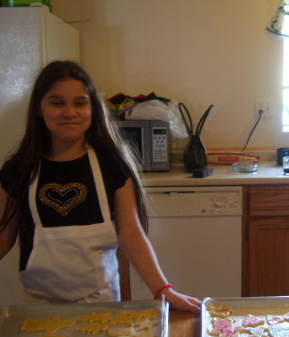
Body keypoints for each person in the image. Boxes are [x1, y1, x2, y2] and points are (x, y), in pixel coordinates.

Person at [0, 60, 201, 313]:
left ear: (92, 108)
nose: (70, 111)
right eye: (57, 102)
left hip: (100, 304)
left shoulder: (111, 165)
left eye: (80, 102)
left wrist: (163, 289)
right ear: (39, 108)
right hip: (38, 307)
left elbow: (132, 235)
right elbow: (3, 236)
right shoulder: (19, 169)